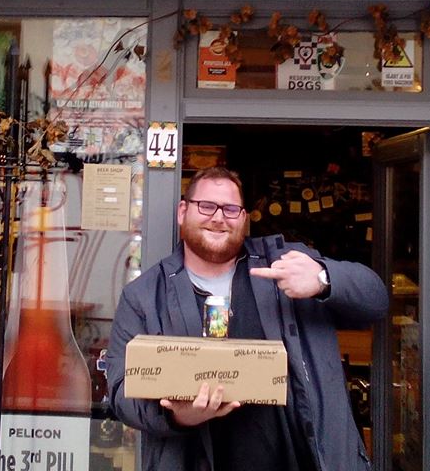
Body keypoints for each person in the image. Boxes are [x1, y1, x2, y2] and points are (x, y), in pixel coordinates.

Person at [106, 166, 388, 471]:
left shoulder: (286, 265)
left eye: (230, 209)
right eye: (206, 206)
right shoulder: (144, 296)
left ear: (244, 218)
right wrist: (178, 416)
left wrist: (323, 278)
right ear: (182, 212)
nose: (218, 218)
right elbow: (120, 393)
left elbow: (376, 300)